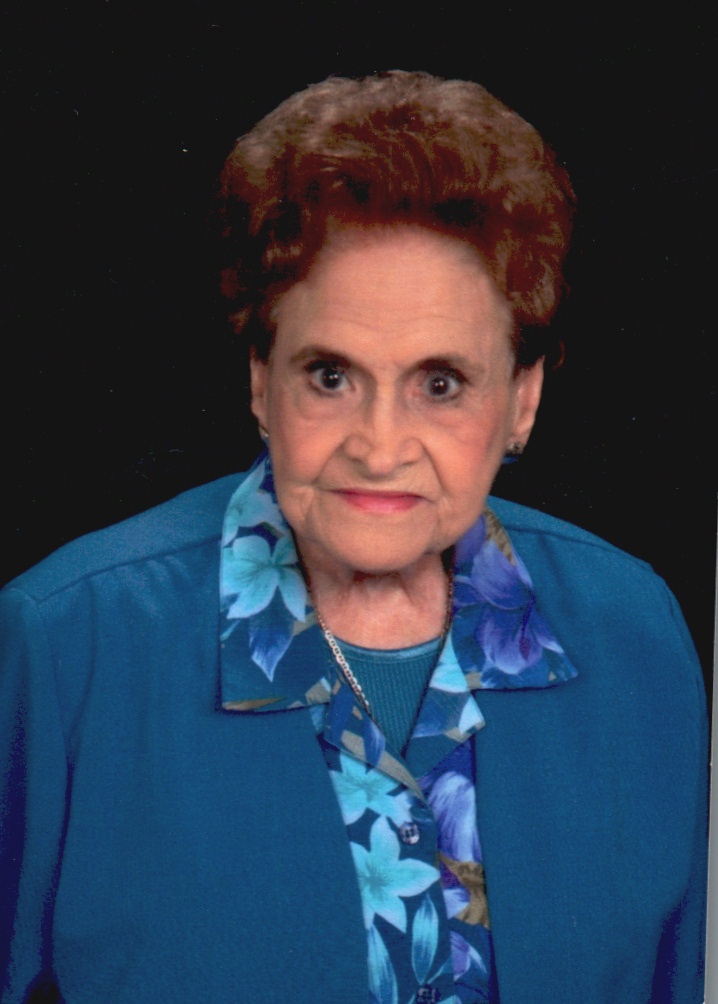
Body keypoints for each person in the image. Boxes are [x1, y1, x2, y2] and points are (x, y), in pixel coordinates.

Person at [0, 70, 707, 1004]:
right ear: (262, 380)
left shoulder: (634, 633)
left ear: (522, 399)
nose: (379, 447)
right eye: (330, 376)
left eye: (441, 384)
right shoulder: (66, 648)